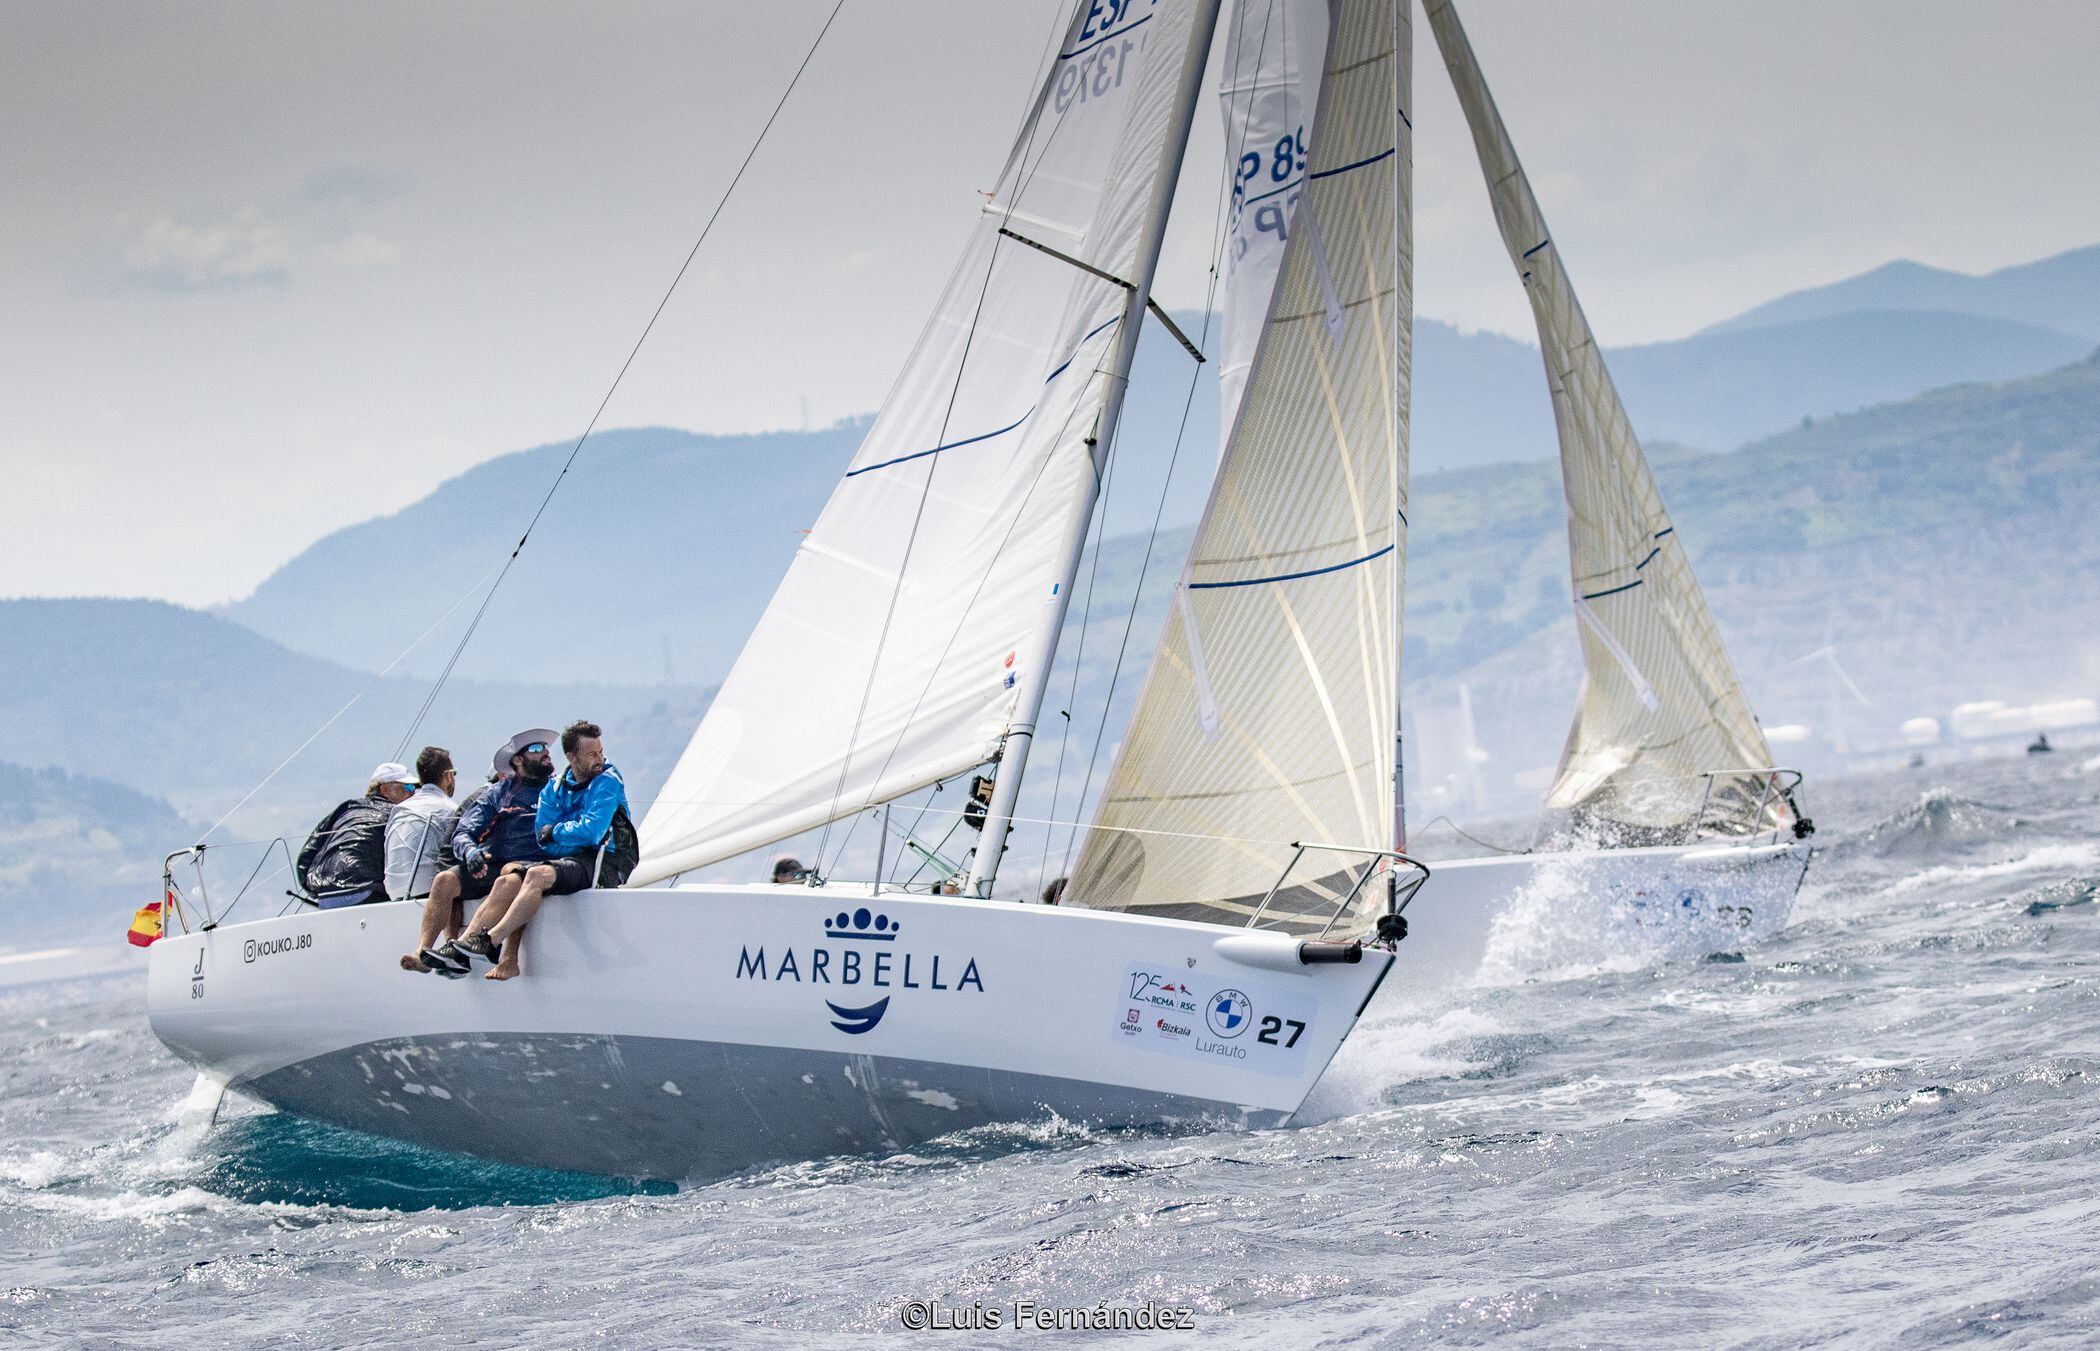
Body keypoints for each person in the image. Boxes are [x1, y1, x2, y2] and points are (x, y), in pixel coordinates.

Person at [454, 720, 630, 981]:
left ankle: (490, 940)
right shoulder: (555, 788)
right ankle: (466, 947)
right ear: (571, 757)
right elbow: (542, 838)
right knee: (511, 877)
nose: (600, 759)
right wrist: (565, 836)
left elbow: (592, 832)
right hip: (565, 857)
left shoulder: (607, 780)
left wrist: (558, 832)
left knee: (536, 875)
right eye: (592, 754)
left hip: (607, 858)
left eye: (601, 752)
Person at [398, 729, 557, 975]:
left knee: (510, 875)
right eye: (536, 749)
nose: (545, 753)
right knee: (444, 879)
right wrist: (471, 853)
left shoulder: (559, 789)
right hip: (493, 863)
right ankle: (422, 952)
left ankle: (469, 948)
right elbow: (463, 832)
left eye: (546, 749)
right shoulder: (498, 793)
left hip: (534, 864)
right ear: (517, 760)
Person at [298, 762, 417, 908]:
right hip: (366, 893)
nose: (413, 792)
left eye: (414, 788)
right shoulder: (398, 813)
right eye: (407, 787)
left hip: (327, 897)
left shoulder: (346, 809)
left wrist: (316, 889)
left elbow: (306, 858)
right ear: (385, 790)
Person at [383, 746, 459, 904]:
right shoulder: (449, 808)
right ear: (447, 776)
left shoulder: (400, 809)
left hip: (393, 891)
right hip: (426, 892)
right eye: (454, 773)